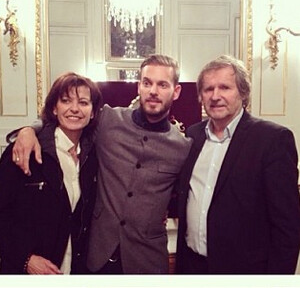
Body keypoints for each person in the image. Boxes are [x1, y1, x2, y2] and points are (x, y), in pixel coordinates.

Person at [8, 55, 193, 274]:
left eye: (162, 84)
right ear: (139, 86)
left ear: (176, 91)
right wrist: (29, 130)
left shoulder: (183, 146)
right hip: (97, 254)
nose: (153, 91)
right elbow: (67, 118)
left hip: (147, 258)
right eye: (147, 83)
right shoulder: (108, 121)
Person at [175, 54, 300, 274]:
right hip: (192, 267)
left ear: (242, 92)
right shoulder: (193, 136)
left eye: (225, 87)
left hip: (244, 271)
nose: (215, 96)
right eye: (208, 89)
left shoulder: (272, 140)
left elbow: (287, 227)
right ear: (200, 97)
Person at [0, 72, 102, 274]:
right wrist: (25, 259)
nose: (74, 109)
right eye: (66, 101)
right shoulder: (24, 151)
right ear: (54, 108)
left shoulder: (94, 157)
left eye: (83, 102)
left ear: (92, 113)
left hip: (75, 271)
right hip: (26, 273)